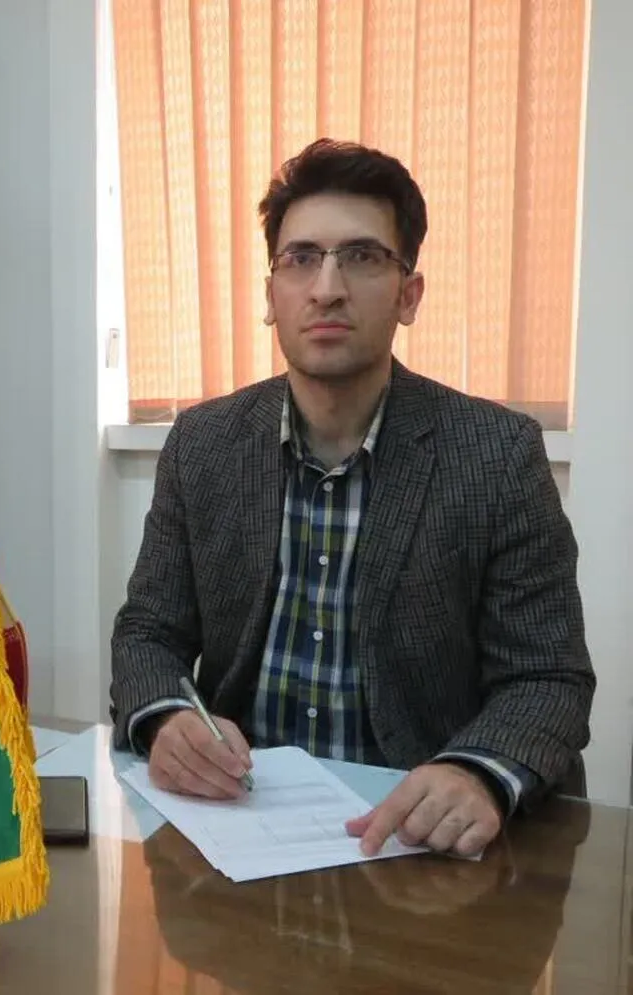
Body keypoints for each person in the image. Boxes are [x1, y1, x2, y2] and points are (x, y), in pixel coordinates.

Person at [108, 137, 595, 860]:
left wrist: (476, 773)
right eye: (301, 258)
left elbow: (548, 675)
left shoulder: (496, 454)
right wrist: (166, 718)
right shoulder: (203, 443)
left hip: (414, 838)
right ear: (271, 296)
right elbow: (148, 631)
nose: (327, 288)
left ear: (408, 295)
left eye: (362, 256)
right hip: (239, 823)